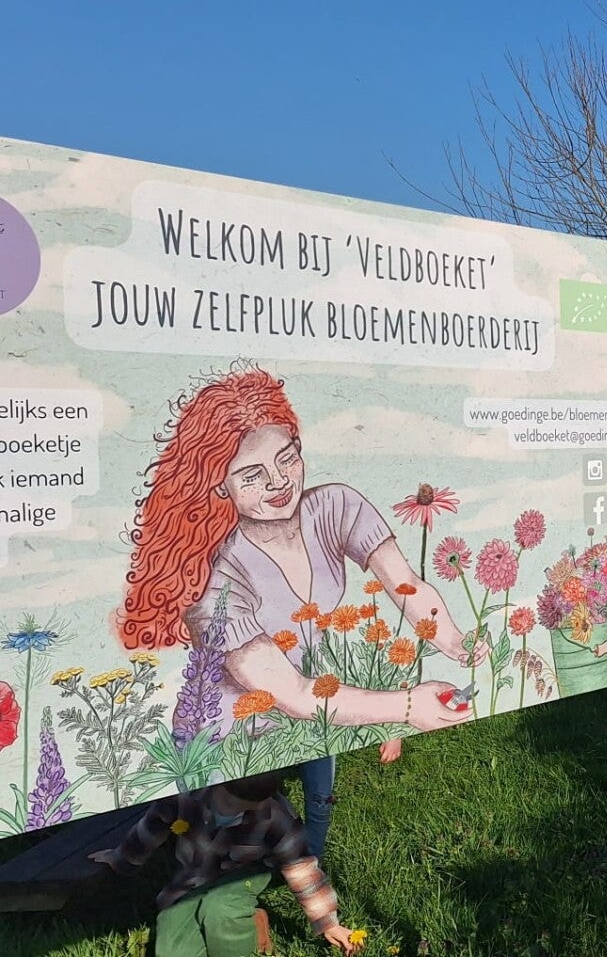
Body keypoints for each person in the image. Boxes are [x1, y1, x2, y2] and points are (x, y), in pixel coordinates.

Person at [118, 367, 487, 740]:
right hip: (229, 744)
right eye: (252, 475)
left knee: (324, 779)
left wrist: (457, 644)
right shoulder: (210, 580)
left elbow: (407, 585)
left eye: (286, 458)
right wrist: (408, 707)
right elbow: (292, 693)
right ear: (220, 487)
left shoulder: (336, 506)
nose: (278, 481)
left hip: (313, 721)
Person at [91, 768, 363, 956]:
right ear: (217, 782)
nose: (244, 812)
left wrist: (328, 921)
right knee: (173, 946)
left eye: (254, 807)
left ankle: (242, 938)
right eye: (234, 805)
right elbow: (150, 830)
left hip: (244, 873)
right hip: (194, 874)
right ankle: (253, 921)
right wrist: (121, 859)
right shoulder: (185, 796)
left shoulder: (277, 817)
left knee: (220, 909)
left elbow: (302, 868)